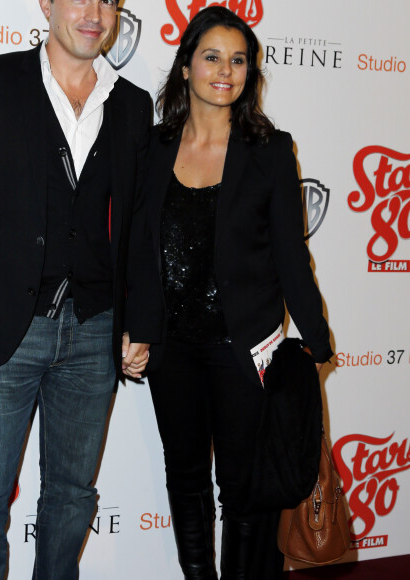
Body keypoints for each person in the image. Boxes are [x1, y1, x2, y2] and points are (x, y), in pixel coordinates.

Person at [0, 0, 163, 578]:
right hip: (2, 330)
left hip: (96, 330)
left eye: (108, 0)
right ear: (45, 3)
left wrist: (143, 320)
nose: (94, 12)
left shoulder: (132, 105)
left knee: (71, 497)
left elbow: (140, 225)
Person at [143, 7, 333, 579]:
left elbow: (290, 255)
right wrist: (134, 328)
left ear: (250, 72)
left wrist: (317, 345)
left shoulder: (270, 149)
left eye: (238, 60)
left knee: (245, 491)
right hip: (171, 351)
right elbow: (133, 251)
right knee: (185, 479)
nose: (225, 70)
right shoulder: (151, 148)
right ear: (185, 68)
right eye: (211, 56)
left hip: (245, 348)